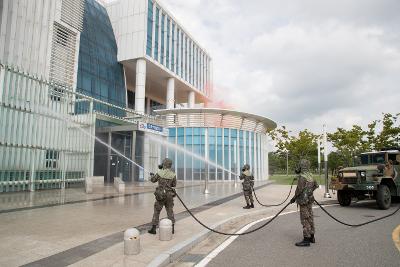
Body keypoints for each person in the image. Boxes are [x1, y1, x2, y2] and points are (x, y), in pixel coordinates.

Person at [290, 159, 319, 247]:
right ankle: (312, 236)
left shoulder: (302, 177)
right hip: (310, 199)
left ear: (301, 166)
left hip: (303, 201)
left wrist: (293, 198)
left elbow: (299, 190)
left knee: (305, 219)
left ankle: (306, 239)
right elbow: (316, 186)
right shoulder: (311, 175)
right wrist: (309, 192)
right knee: (310, 217)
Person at [148, 158, 177, 235]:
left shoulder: (159, 173)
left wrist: (152, 175)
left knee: (157, 211)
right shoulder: (173, 174)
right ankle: (172, 228)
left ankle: (153, 229)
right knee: (170, 211)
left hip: (160, 195)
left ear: (164, 164)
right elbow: (174, 185)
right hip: (169, 195)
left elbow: (153, 180)